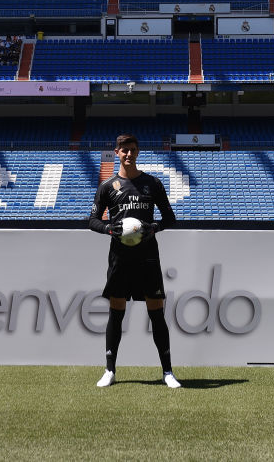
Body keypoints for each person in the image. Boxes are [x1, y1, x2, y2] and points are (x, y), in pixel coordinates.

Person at [88, 133, 180, 389]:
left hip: (148, 257)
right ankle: (110, 370)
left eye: (132, 150)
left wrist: (154, 228)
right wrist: (109, 229)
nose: (128, 154)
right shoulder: (107, 187)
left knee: (156, 313)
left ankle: (168, 372)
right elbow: (92, 221)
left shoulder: (152, 183)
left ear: (138, 153)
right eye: (124, 150)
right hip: (120, 258)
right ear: (116, 152)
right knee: (116, 311)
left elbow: (170, 218)